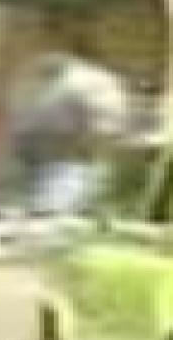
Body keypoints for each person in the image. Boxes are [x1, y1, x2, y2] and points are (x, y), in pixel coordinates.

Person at [10, 51, 127, 217]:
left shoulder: (68, 84)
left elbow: (44, 118)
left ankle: (55, 210)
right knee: (79, 182)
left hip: (63, 148)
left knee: (59, 187)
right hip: (79, 146)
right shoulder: (96, 80)